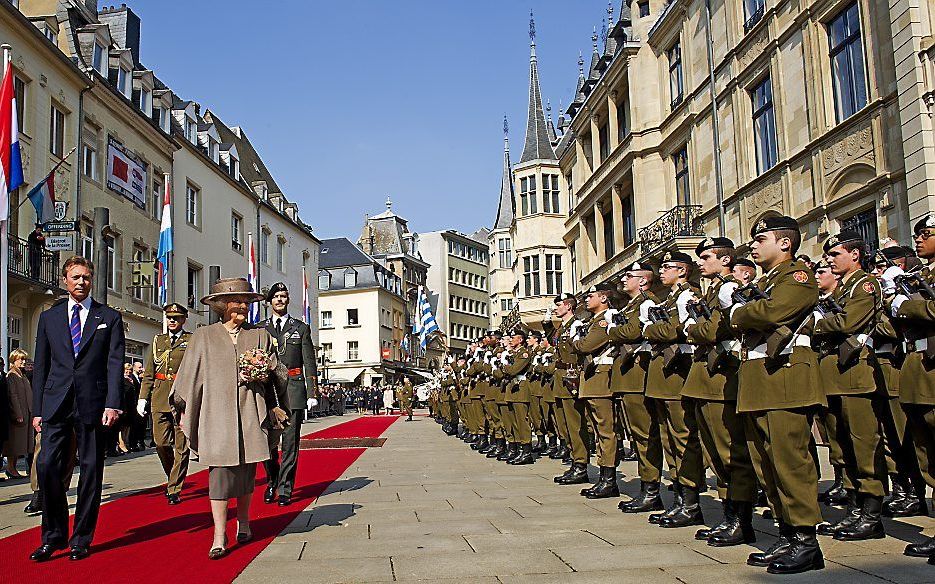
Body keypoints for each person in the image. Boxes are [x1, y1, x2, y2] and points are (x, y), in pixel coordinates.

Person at [729, 216, 824, 574]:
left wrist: (740, 312)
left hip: (785, 379)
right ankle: (786, 535)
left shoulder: (797, 277)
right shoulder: (767, 281)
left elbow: (773, 311)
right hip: (759, 379)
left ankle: (806, 541)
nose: (753, 245)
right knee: (765, 463)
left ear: (784, 243)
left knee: (789, 463)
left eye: (761, 238)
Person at [171, 277, 288, 559]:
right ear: (222, 306)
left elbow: (279, 375)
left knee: (247, 472)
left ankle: (244, 522)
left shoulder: (258, 335)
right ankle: (219, 534)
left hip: (251, 410)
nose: (243, 306)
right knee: (221, 476)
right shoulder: (203, 335)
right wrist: (181, 406)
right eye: (237, 301)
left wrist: (269, 367)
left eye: (246, 301)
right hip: (217, 414)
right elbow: (188, 376)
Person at [30, 255, 125, 562]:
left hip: (93, 404)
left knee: (91, 472)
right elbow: (42, 365)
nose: (81, 282)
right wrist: (37, 409)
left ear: (91, 279)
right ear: (65, 280)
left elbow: (114, 363)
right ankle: (53, 536)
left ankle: (80, 538)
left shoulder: (107, 317)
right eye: (75, 277)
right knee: (46, 466)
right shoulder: (50, 318)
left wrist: (113, 403)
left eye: (86, 277)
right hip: (56, 403)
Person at [813, 231, 887, 541]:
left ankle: (871, 513)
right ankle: (855, 508)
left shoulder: (865, 284)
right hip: (833, 375)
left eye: (835, 255)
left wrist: (816, 323)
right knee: (841, 446)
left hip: (855, 377)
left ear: (854, 255)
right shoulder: (842, 289)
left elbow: (848, 322)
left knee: (863, 444)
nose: (829, 260)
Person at [684, 239, 757, 546]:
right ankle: (730, 516)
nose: (700, 262)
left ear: (726, 260)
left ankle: (740, 520)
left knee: (730, 454)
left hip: (721, 378)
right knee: (716, 452)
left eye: (706, 257)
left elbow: (716, 329)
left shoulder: (729, 289)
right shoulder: (713, 290)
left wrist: (691, 328)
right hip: (706, 378)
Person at [643, 251, 704, 528]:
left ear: (683, 271)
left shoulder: (686, 296)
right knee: (669, 439)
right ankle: (681, 497)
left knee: (682, 437)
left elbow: (675, 330)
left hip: (678, 371)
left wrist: (651, 330)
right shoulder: (670, 298)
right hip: (665, 375)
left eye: (667, 267)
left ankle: (691, 502)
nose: (662, 272)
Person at [611, 262, 665, 513]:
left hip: (640, 371)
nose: (623, 279)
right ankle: (648, 488)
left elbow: (633, 331)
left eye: (628, 276)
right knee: (640, 436)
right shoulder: (634, 304)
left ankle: (652, 490)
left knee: (646, 435)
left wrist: (613, 329)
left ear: (643, 281)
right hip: (632, 374)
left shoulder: (647, 303)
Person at [260, 282, 318, 507]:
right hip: (267, 391)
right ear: (270, 302)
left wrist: (312, 391)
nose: (280, 300)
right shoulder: (260, 327)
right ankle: (272, 480)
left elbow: (309, 362)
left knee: (290, 443)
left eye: (284, 296)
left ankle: (285, 488)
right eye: (276, 297)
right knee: (267, 443)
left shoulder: (300, 328)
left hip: (293, 389)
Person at [138, 303, 192, 505]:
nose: (172, 321)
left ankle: (174, 488)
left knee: (182, 447)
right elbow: (149, 373)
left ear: (184, 320)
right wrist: (143, 398)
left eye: (176, 318)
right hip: (160, 398)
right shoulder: (157, 341)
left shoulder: (191, 340)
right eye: (169, 317)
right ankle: (174, 476)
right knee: (161, 443)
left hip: (181, 398)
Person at [570, 284, 620, 499]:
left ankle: (609, 479)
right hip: (592, 377)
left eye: (591, 296)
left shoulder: (605, 319)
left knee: (605, 430)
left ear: (603, 298)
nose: (587, 299)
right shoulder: (592, 321)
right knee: (599, 430)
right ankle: (604, 476)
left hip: (601, 376)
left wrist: (575, 340)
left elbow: (586, 346)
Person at [5, 348, 34, 478]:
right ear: (14, 360)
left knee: (20, 444)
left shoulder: (21, 374)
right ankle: (11, 468)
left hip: (26, 412)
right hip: (19, 415)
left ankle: (13, 468)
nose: (23, 361)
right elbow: (13, 396)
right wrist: (17, 413)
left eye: (24, 359)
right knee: (15, 444)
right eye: (21, 359)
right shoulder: (12, 375)